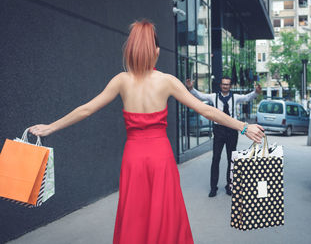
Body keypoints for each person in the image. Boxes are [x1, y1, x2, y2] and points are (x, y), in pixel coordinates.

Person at [29, 20, 265, 244]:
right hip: (160, 157)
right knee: (164, 214)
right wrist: (244, 127)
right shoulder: (167, 81)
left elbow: (87, 109)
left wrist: (50, 127)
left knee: (134, 214)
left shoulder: (121, 81)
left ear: (131, 50)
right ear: (156, 51)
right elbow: (207, 110)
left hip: (134, 158)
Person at [185, 77, 262, 197]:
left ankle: (229, 186)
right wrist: (190, 88)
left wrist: (256, 92)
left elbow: (248, 97)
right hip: (219, 130)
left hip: (232, 131)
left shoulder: (235, 97)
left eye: (227, 84)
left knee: (231, 159)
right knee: (216, 158)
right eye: (223, 84)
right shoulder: (213, 97)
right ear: (220, 85)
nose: (225, 86)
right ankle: (213, 188)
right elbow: (200, 96)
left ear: (230, 86)